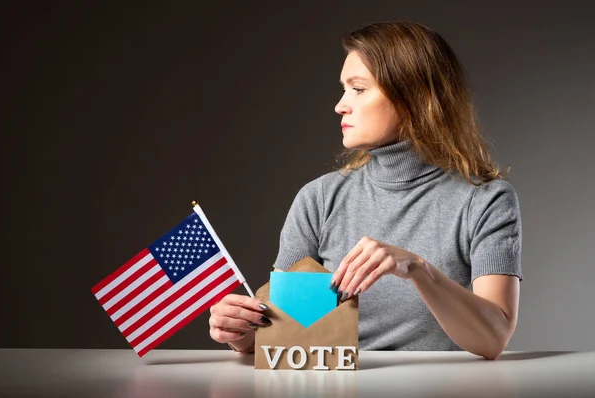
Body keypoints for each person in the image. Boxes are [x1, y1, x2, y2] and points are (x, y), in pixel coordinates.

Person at [208, 20, 522, 360]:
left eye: (358, 89)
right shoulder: (319, 199)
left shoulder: (486, 201)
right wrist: (240, 332)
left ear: (414, 98)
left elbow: (493, 339)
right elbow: (284, 330)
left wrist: (418, 269)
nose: (340, 105)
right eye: (344, 89)